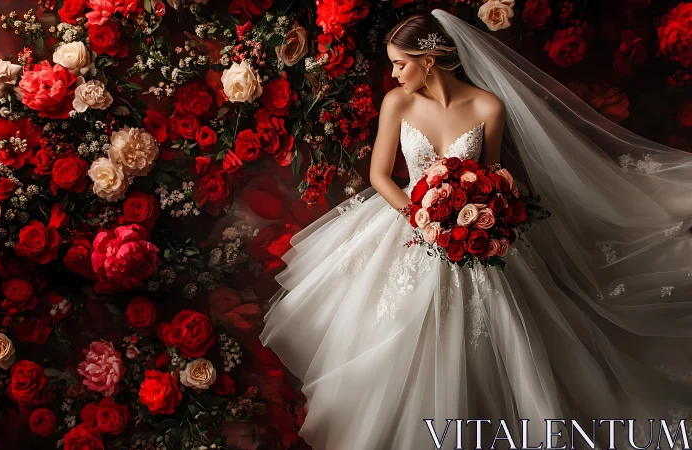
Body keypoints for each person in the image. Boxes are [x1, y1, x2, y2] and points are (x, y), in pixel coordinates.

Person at [257, 8, 692, 450]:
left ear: (428, 61)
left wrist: (483, 215)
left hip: (475, 230)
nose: (393, 73)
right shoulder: (398, 103)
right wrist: (422, 219)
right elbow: (380, 177)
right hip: (410, 224)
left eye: (400, 63)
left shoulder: (488, 106)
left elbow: (492, 176)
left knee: (502, 334)